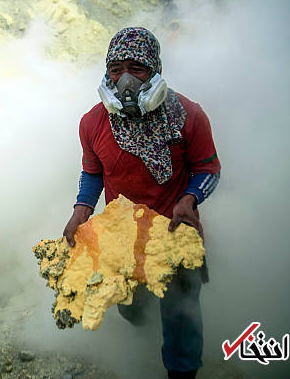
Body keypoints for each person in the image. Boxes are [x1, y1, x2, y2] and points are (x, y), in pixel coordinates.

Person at [63, 27, 221, 379]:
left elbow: (208, 168)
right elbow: (92, 173)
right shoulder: (92, 123)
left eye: (137, 68)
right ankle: (148, 329)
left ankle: (180, 366)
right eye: (116, 69)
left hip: (175, 234)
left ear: (155, 69)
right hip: (124, 240)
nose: (125, 81)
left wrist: (189, 200)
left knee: (180, 317)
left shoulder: (189, 117)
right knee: (133, 309)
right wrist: (81, 210)